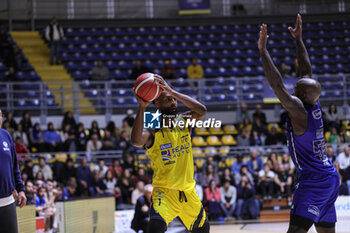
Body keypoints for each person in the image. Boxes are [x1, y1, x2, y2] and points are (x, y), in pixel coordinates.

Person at [259, 14, 339, 233]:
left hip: (314, 182)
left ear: (301, 94)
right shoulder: (313, 105)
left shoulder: (299, 112)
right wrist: (298, 40)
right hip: (329, 178)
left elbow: (277, 86)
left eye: (296, 88)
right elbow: (307, 73)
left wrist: (264, 51)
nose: (292, 87)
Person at [131, 74, 209, 232]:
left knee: (203, 229)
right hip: (164, 193)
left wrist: (173, 92)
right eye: (169, 99)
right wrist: (142, 107)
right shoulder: (153, 123)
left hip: (188, 192)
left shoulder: (184, 120)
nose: (173, 102)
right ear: (157, 103)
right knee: (155, 228)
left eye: (173, 99)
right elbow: (136, 141)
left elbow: (202, 110)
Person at [0, 109, 26, 233]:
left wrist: (20, 189)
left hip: (8, 202)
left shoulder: (6, 136)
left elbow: (15, 167)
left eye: (0, 115)